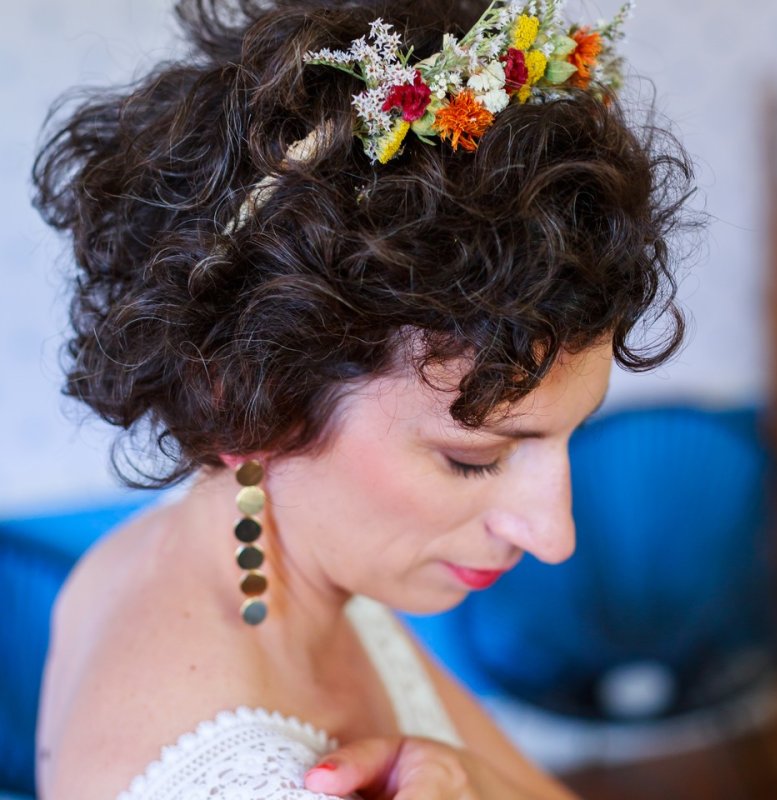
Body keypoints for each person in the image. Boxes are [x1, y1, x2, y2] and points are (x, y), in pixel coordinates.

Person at [31, 0, 692, 797]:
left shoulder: (259, 575)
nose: (554, 538)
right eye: (471, 460)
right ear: (247, 399)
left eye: (571, 434)